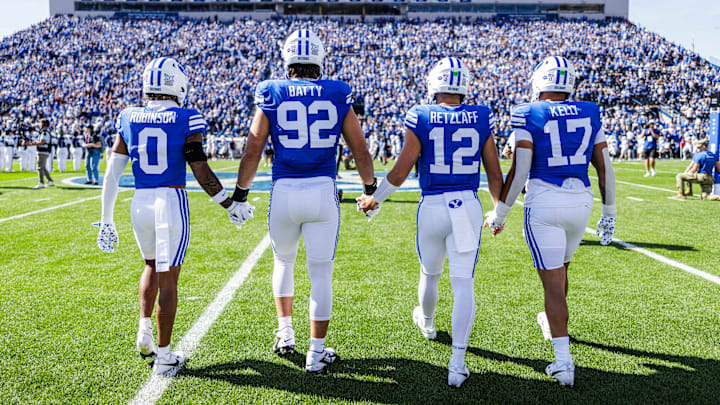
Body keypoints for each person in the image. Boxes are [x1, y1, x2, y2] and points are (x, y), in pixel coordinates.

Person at [230, 29, 376, 374]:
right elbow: (360, 148)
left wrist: (240, 194)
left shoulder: (273, 90)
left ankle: (285, 334)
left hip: (284, 190)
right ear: (319, 61)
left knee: (283, 263)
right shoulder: (337, 92)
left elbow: (253, 148)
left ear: (288, 61)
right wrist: (370, 187)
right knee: (321, 272)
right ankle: (316, 352)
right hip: (322, 191)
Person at [95, 57, 252, 377]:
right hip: (170, 201)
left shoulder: (128, 115)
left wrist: (106, 218)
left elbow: (112, 174)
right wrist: (229, 203)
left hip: (139, 202)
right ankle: (164, 354)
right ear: (176, 84)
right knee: (168, 276)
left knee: (150, 265)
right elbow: (198, 166)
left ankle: (144, 333)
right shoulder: (187, 116)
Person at [357, 57, 504, 387]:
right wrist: (499, 211)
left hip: (433, 206)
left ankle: (426, 322)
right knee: (463, 282)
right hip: (466, 205)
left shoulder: (420, 115)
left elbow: (401, 170)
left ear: (433, 85)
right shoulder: (480, 116)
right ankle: (458, 362)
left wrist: (374, 198)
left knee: (430, 273)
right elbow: (495, 173)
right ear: (463, 87)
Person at [483, 56, 617, 387]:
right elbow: (605, 167)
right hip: (581, 200)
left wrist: (500, 211)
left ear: (539, 81)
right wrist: (610, 210)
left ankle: (563, 361)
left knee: (553, 283)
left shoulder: (529, 111)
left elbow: (522, 168)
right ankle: (553, 323)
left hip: (545, 200)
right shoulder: (589, 110)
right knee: (563, 270)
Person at [28, 119, 54, 189]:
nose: (40, 124)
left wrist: (33, 143)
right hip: (43, 151)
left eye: (41, 123)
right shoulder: (43, 132)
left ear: (44, 124)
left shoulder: (45, 132)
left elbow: (42, 142)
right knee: (43, 167)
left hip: (43, 151)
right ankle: (50, 181)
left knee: (39, 167)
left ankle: (41, 182)